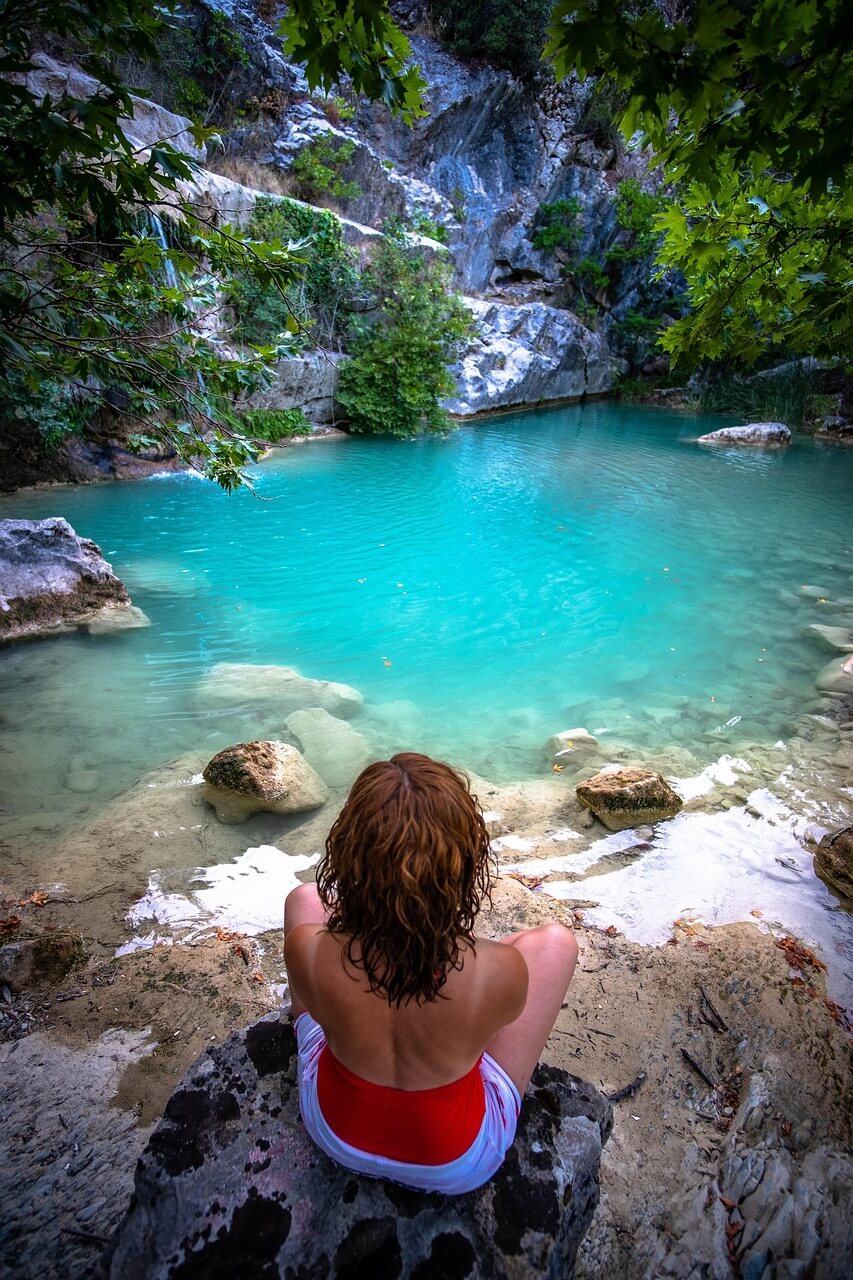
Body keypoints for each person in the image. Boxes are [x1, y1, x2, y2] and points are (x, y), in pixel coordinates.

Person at [283, 752, 578, 1195]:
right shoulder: (497, 971)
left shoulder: (307, 951)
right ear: (462, 866)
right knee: (557, 944)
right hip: (454, 1161)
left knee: (304, 898)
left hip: (333, 1130)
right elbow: (491, 1023)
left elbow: (332, 933)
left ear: (348, 856)